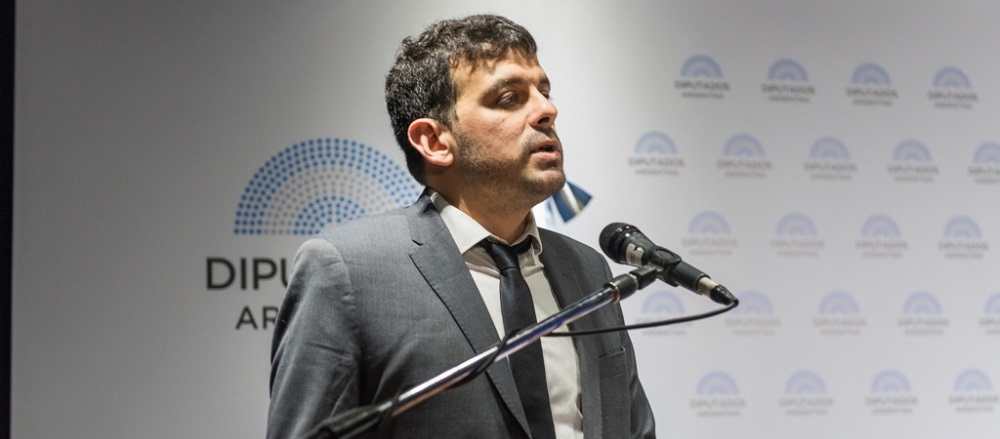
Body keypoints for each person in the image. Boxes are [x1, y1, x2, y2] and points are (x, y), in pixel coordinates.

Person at [267, 14, 655, 439]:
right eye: (509, 98)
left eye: (544, 92)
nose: (547, 110)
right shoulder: (349, 272)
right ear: (434, 141)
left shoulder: (587, 269)